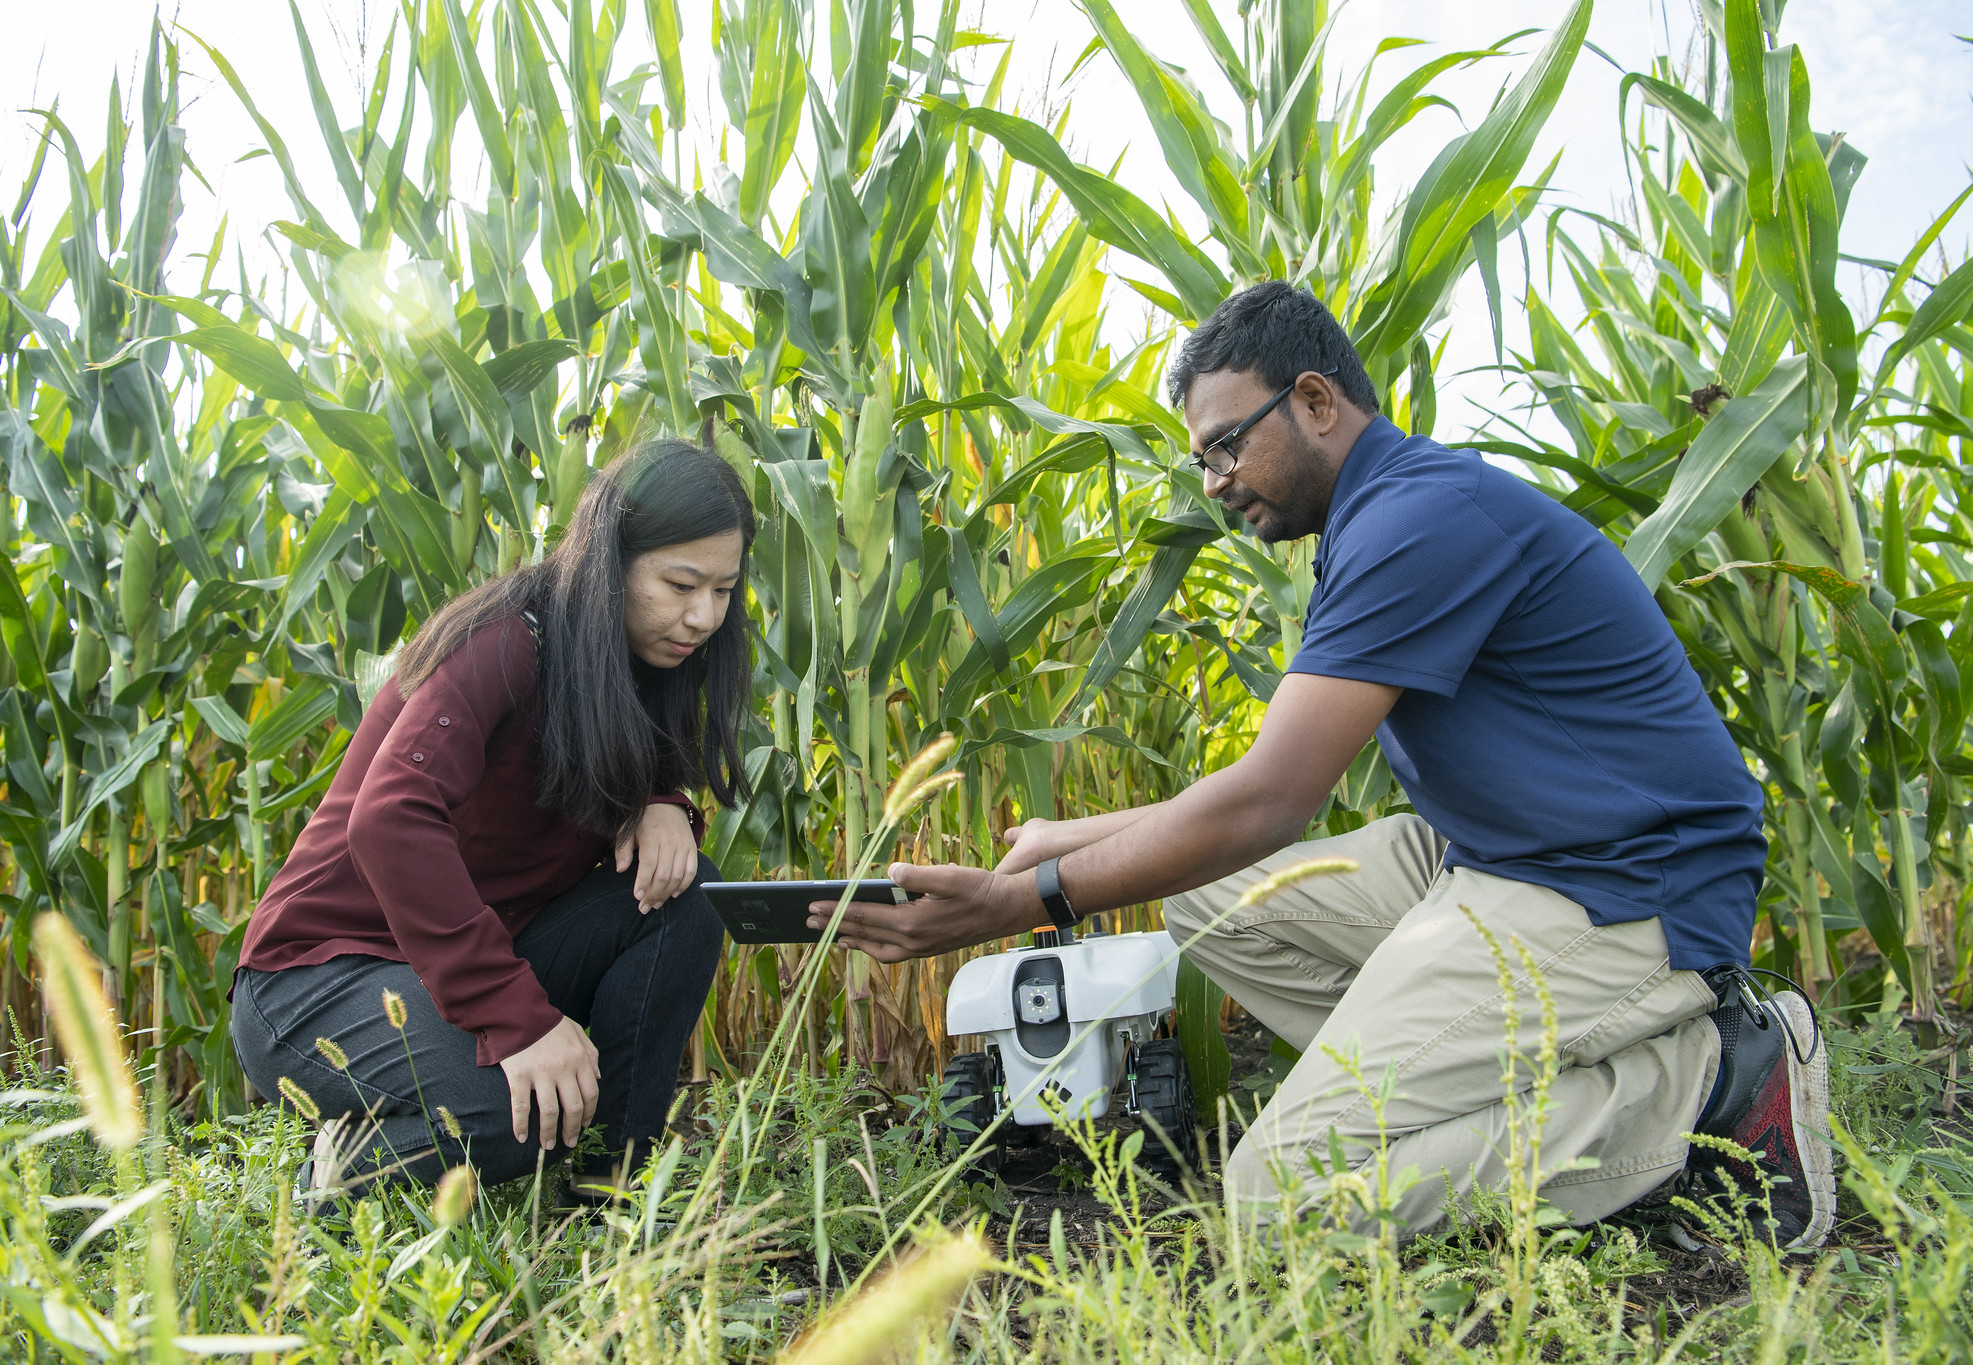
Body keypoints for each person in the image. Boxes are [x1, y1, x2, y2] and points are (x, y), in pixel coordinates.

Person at [812, 283, 1834, 1249]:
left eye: (1223, 448)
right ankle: (1497, 1088)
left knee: (1282, 1192)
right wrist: (1066, 839)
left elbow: (1268, 803)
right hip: (1492, 857)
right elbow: (1259, 782)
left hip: (1624, 892)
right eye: (1201, 464)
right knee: (1207, 903)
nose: (1213, 487)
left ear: (1314, 401)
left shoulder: (1415, 519)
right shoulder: (1381, 517)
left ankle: (1708, 1094)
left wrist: (1017, 903)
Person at [233, 439, 754, 1202]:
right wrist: (521, 1021)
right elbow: (389, 818)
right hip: (317, 978)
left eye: (723, 590)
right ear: (611, 561)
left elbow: (610, 760)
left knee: (685, 895)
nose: (703, 615)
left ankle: (606, 1194)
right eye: (680, 583)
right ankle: (329, 1178)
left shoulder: (641, 663)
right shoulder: (510, 638)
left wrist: (664, 801)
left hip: (456, 967)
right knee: (519, 1116)